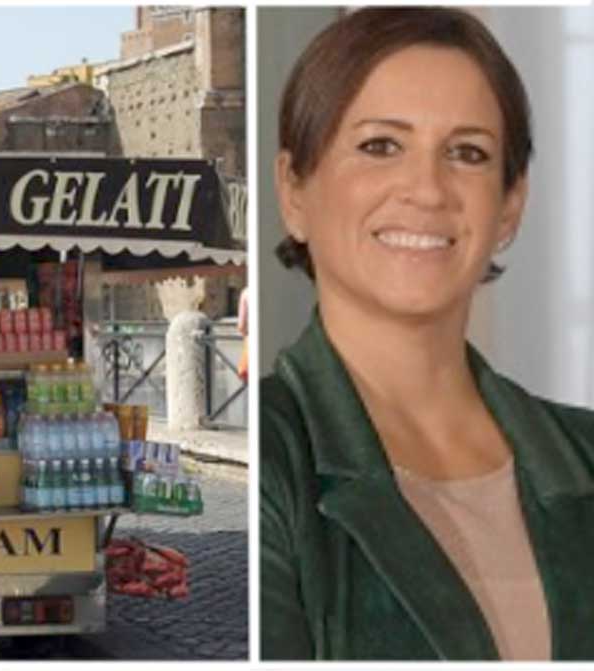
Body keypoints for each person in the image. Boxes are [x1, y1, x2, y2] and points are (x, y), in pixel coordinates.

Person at [261, 8, 594, 661]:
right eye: (381, 145)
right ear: (294, 189)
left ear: (509, 206)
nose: (427, 188)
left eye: (467, 153)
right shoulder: (273, 464)